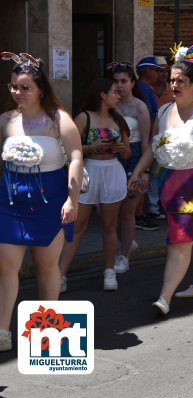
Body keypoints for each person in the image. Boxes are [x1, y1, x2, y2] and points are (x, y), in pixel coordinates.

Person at [128, 47, 193, 315]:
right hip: (170, 183)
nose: (173, 85)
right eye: (171, 80)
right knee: (192, 237)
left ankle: (164, 297)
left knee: (180, 239)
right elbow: (153, 146)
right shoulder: (163, 112)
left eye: (180, 81)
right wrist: (138, 171)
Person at [0, 52, 83, 352]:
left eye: (24, 88)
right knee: (6, 265)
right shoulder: (6, 120)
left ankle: (48, 330)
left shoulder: (59, 119)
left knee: (47, 267)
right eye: (13, 87)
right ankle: (2, 332)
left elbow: (75, 157)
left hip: (51, 198)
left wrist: (72, 200)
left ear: (41, 89)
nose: (18, 93)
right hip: (10, 198)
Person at [58, 78, 131, 292]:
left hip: (112, 170)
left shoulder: (119, 120)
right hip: (88, 172)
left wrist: (119, 148)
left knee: (109, 226)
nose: (119, 96)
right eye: (115, 92)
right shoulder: (83, 118)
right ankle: (60, 274)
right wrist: (92, 147)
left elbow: (128, 151)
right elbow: (69, 148)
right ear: (102, 94)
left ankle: (109, 272)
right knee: (78, 226)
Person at [109, 61, 152, 274]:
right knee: (110, 211)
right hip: (110, 157)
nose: (119, 85)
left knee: (127, 212)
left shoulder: (140, 107)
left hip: (134, 158)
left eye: (124, 81)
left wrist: (144, 171)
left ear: (133, 83)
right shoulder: (109, 105)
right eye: (116, 81)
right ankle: (128, 241)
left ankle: (123, 255)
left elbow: (147, 142)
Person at [136, 56, 165, 225]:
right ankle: (142, 213)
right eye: (156, 70)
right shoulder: (144, 89)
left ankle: (147, 210)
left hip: (151, 138)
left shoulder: (147, 89)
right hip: (148, 139)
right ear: (148, 72)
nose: (159, 74)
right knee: (146, 175)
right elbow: (148, 118)